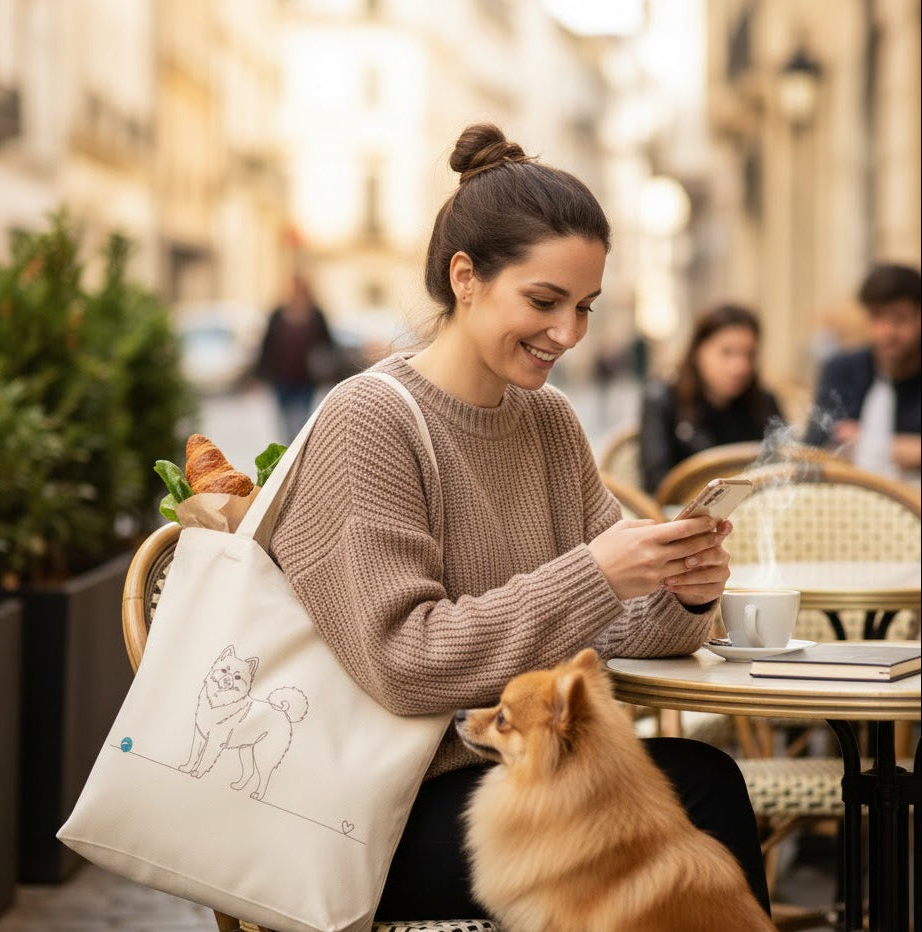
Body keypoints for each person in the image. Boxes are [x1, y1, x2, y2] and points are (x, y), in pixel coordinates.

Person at [270, 123, 771, 919]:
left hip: (519, 782)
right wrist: (597, 572)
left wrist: (684, 594)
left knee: (703, 787)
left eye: (584, 307)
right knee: (699, 800)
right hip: (373, 809)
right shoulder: (370, 420)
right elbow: (404, 662)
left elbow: (609, 626)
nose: (568, 334)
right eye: (543, 301)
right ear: (464, 277)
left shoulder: (549, 422)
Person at [638, 304, 786, 495]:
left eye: (748, 354)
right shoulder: (663, 400)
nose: (739, 366)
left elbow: (786, 462)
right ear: (698, 351)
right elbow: (656, 482)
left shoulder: (763, 401)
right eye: (727, 352)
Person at [803, 263, 921, 482]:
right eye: (877, 318)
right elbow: (816, 448)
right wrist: (906, 449)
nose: (887, 331)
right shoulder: (841, 369)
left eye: (899, 319)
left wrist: (869, 444)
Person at [256, 272, 339, 440]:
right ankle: (288, 455)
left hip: (306, 379)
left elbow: (327, 345)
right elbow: (267, 345)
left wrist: (330, 371)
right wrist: (260, 374)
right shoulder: (277, 314)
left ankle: (298, 454)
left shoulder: (316, 315)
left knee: (302, 421)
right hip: (281, 378)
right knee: (285, 422)